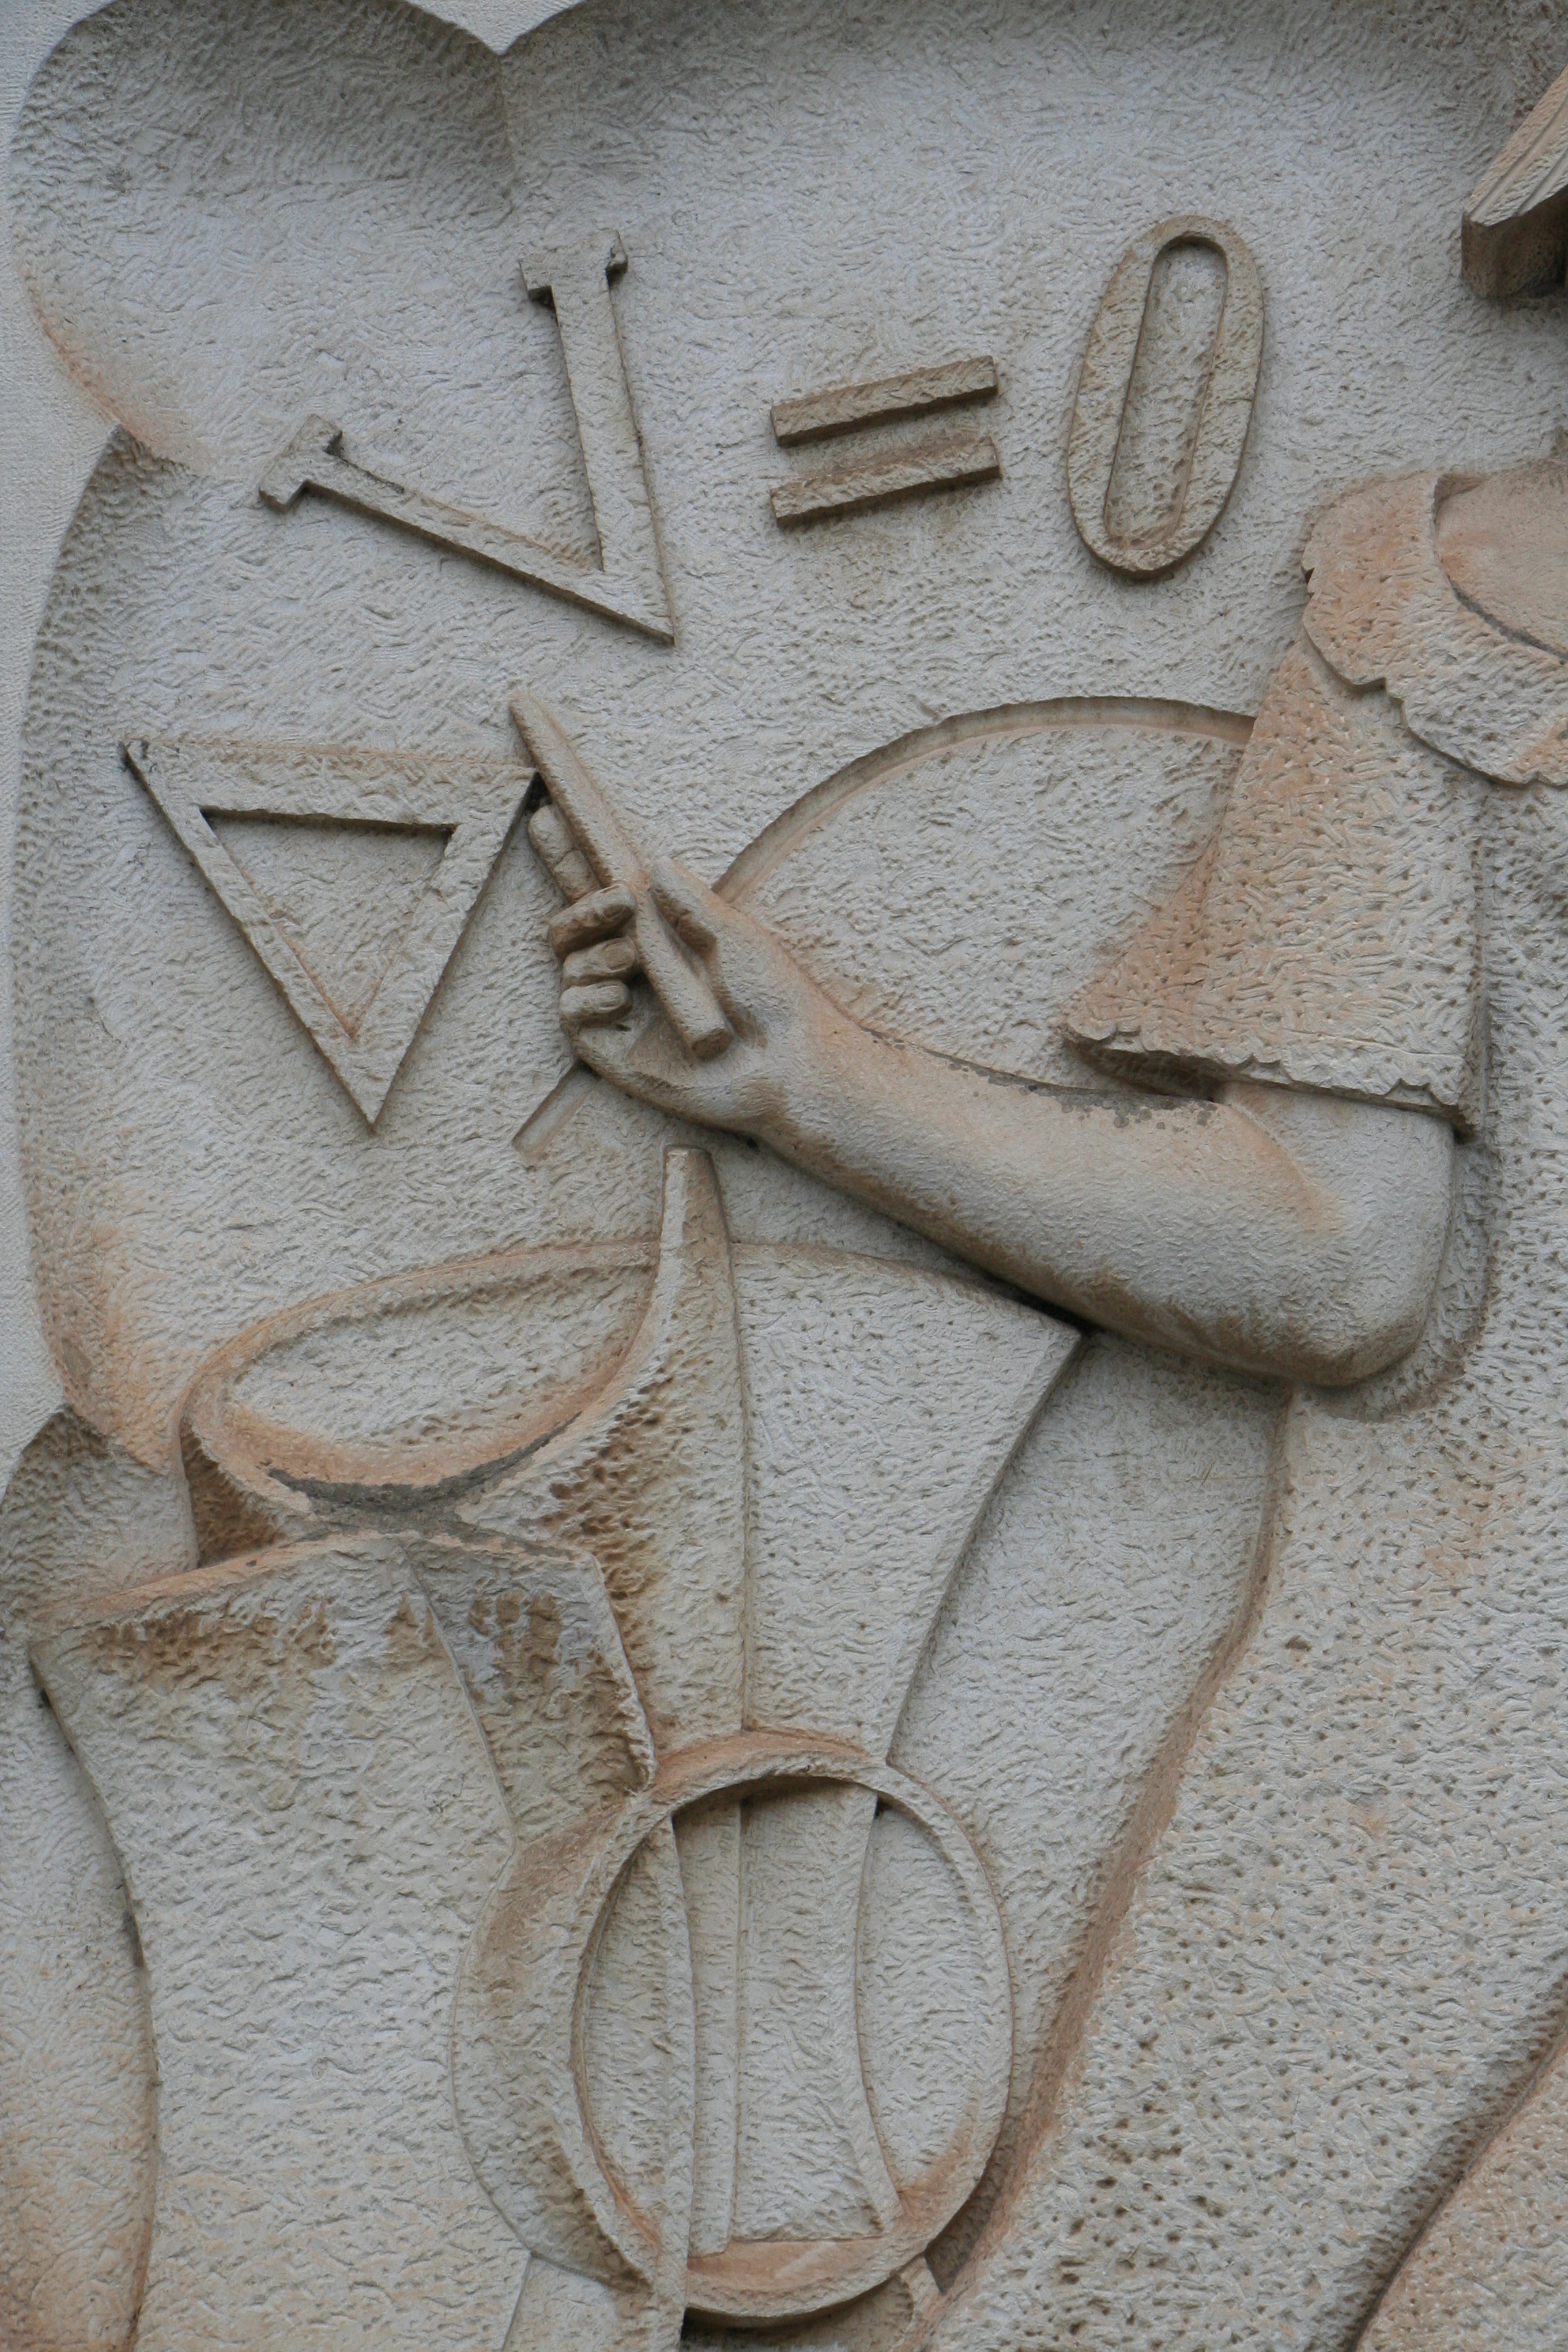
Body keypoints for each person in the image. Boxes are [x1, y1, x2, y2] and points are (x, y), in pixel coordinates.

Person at [534, 451, 1568, 2343]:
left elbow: (1338, 1254)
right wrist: (819, 1082)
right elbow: (1335, 1254)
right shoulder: (1440, 604)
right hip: (1462, 1713)